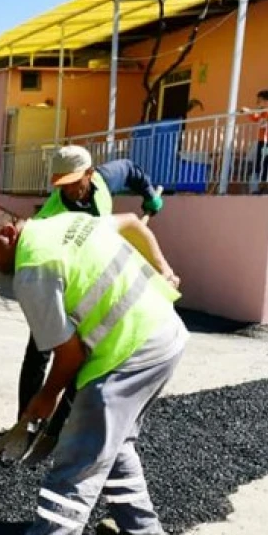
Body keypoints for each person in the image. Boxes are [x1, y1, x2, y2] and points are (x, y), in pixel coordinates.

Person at [0, 205, 187, 535]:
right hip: (167, 335)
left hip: (127, 354)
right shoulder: (69, 223)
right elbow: (132, 222)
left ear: (7, 234)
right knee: (116, 444)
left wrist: (47, 397)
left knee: (76, 463)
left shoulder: (33, 272)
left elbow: (70, 354)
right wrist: (162, 269)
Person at [17, 145, 164, 458]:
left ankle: (57, 431)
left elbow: (132, 170)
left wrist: (149, 194)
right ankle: (27, 423)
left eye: (74, 181)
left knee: (83, 357)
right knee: (41, 350)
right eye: (62, 184)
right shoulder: (51, 215)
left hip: (96, 289)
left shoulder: (104, 180)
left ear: (90, 173)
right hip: (61, 286)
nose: (69, 189)